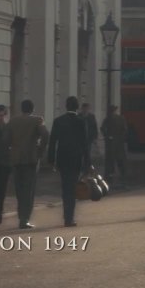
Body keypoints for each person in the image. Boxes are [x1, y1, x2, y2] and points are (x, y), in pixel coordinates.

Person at [47, 96, 90, 227]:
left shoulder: (58, 121)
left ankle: (67, 215)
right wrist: (87, 162)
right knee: (73, 187)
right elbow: (85, 144)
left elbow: (53, 141)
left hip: (62, 158)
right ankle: (69, 217)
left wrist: (51, 160)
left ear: (66, 106)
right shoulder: (81, 121)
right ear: (77, 107)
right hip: (76, 159)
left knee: (66, 187)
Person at [5, 99, 49, 229]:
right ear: (32, 109)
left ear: (21, 108)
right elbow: (45, 135)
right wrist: (40, 151)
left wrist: (11, 150)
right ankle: (24, 219)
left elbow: (5, 139)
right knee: (28, 190)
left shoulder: (13, 121)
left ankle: (21, 216)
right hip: (31, 159)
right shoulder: (37, 120)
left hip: (16, 159)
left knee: (19, 190)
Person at [101, 105, 128, 185]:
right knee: (117, 160)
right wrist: (121, 138)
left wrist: (107, 136)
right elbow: (125, 129)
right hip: (116, 143)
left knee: (113, 160)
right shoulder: (117, 119)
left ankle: (112, 175)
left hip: (113, 143)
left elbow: (103, 128)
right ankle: (120, 174)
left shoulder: (110, 119)